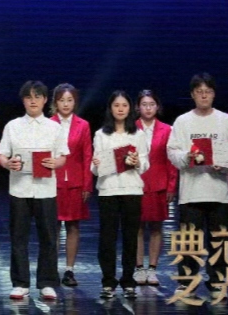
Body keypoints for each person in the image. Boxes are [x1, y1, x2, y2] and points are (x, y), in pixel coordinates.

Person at [167, 73, 228, 298]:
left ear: (214, 94)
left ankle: (218, 281)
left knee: (220, 239)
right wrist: (187, 156)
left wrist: (225, 165)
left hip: (219, 191)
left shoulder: (225, 120)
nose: (203, 96)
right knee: (189, 240)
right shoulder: (182, 121)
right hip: (191, 191)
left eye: (207, 92)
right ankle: (187, 282)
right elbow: (172, 151)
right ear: (192, 95)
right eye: (199, 92)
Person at [0, 81, 69, 301]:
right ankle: (20, 283)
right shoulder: (13, 126)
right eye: (29, 97)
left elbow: (63, 156)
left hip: (46, 190)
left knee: (48, 238)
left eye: (37, 96)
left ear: (45, 100)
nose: (33, 101)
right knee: (19, 238)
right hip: (19, 189)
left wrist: (55, 163)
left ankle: (47, 283)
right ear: (23, 101)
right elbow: (1, 154)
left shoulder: (55, 127)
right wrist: (8, 163)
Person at [90, 91, 149, 298]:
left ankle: (128, 281)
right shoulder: (101, 134)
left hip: (132, 189)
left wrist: (138, 162)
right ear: (110, 108)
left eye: (124, 105)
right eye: (116, 105)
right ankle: (108, 282)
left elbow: (145, 163)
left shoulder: (138, 134)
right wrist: (96, 165)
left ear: (130, 108)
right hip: (108, 190)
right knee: (107, 237)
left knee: (130, 237)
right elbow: (94, 168)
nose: (120, 109)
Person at [49, 84, 93, 287]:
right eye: (61, 100)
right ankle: (51, 269)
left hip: (75, 183)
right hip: (53, 182)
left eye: (69, 100)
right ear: (55, 102)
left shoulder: (83, 125)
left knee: (73, 226)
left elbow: (87, 156)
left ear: (75, 102)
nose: (65, 104)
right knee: (53, 226)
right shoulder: (48, 124)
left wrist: (87, 185)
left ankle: (69, 270)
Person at [133, 90, 175, 286]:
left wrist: (171, 186)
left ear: (157, 107)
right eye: (144, 104)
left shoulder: (167, 130)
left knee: (157, 227)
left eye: (151, 104)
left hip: (159, 184)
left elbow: (171, 161)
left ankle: (152, 269)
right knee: (137, 227)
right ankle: (139, 268)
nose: (148, 108)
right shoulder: (131, 128)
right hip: (136, 183)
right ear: (138, 107)